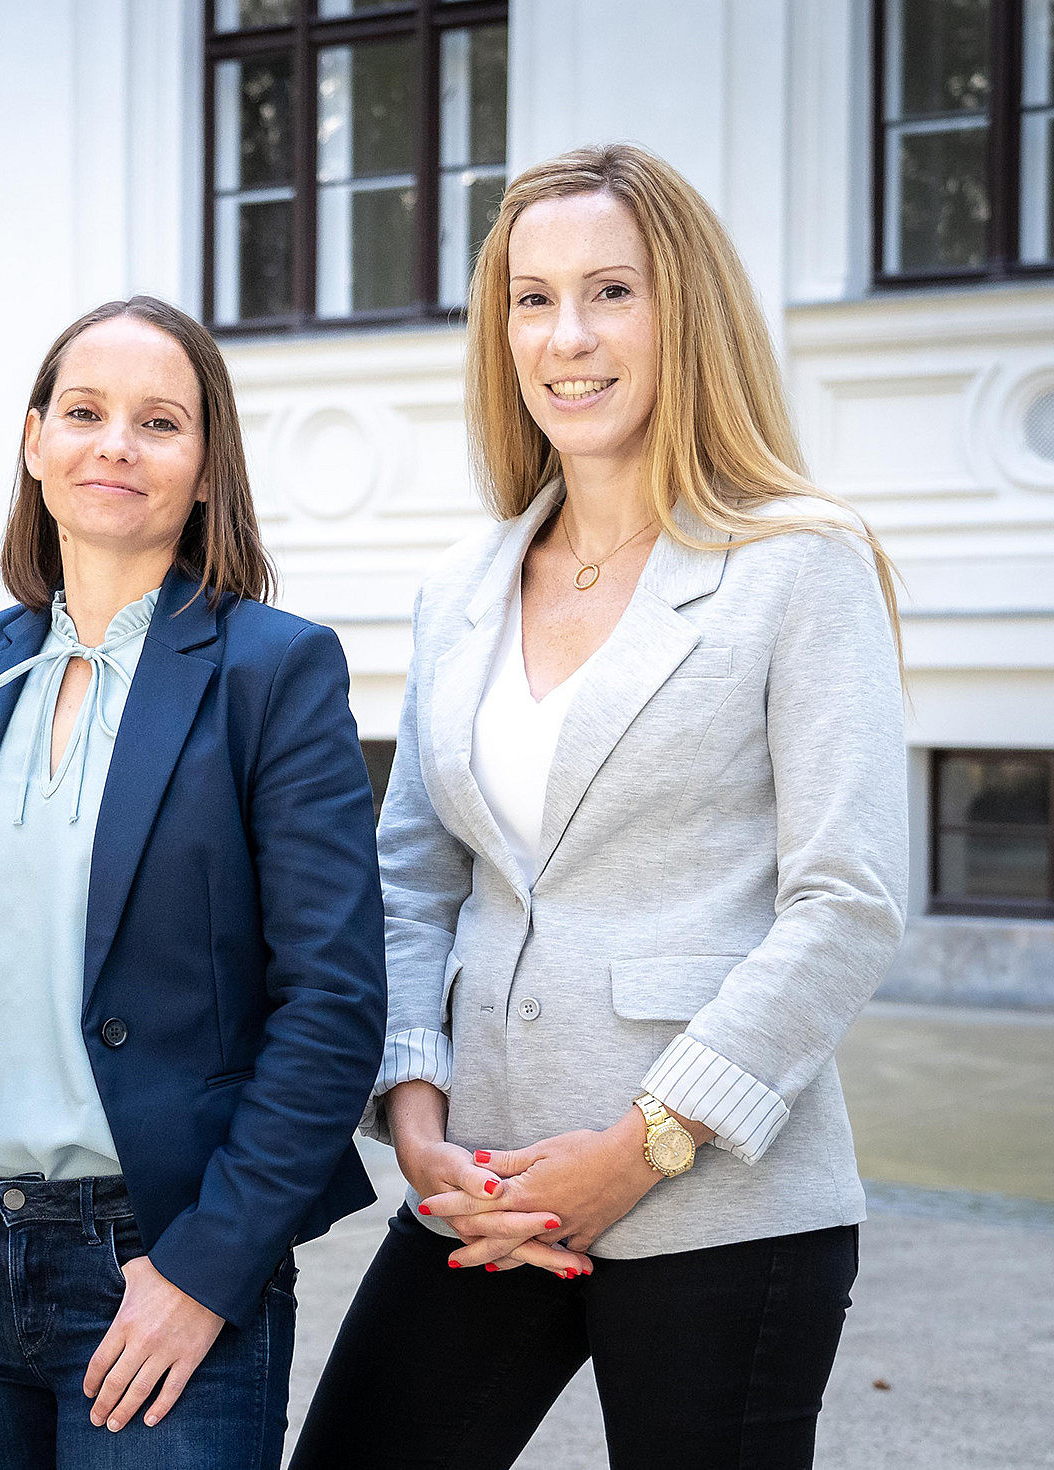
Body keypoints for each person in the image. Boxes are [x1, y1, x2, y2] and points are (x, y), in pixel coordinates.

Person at [291, 143, 908, 1469]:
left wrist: (641, 1146)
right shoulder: (462, 585)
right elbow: (412, 872)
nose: (565, 336)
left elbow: (846, 901)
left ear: (681, 310)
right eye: (531, 298)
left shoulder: (801, 561)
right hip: (488, 1191)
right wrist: (415, 1110)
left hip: (723, 1203)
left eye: (609, 291)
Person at [0, 296, 386, 1470]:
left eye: (158, 422)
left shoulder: (273, 671)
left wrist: (207, 1267)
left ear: (204, 468)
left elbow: (332, 1004)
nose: (114, 445)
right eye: (82, 412)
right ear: (34, 445)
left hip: (155, 1264)